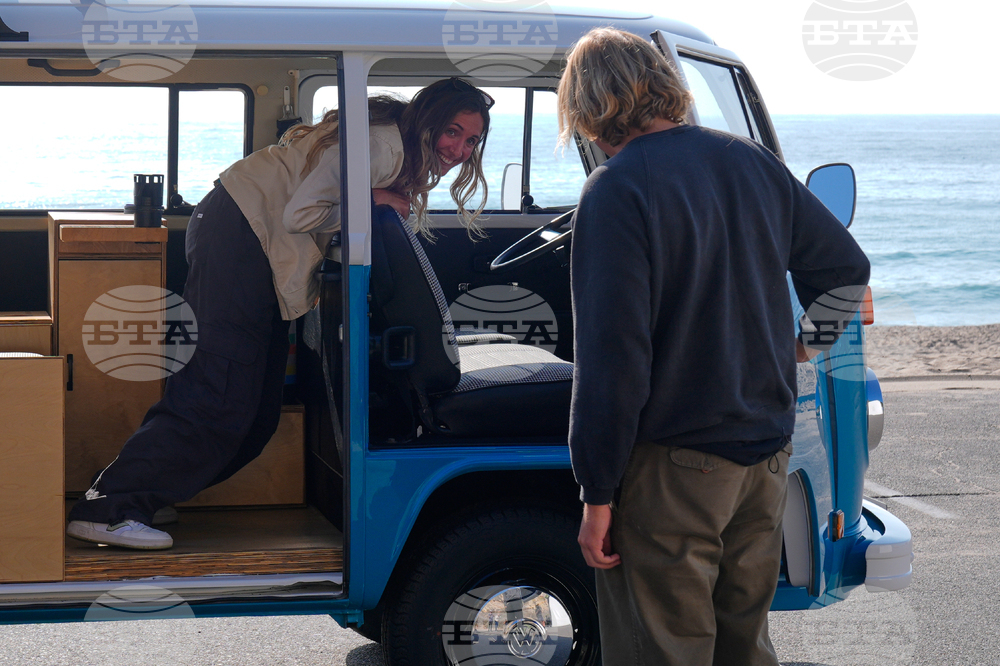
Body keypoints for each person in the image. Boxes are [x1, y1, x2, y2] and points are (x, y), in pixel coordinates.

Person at [66, 77, 494, 550]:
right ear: (428, 120)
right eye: (451, 132)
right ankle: (107, 507)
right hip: (243, 233)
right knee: (221, 385)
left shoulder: (398, 144)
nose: (459, 149)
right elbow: (300, 214)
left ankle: (143, 491)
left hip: (247, 234)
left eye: (471, 139)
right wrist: (369, 202)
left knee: (256, 411)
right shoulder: (384, 146)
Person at [558, 28, 870, 665]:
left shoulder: (616, 190)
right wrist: (797, 349)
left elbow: (613, 362)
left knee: (663, 651)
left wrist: (596, 492)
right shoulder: (749, 160)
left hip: (676, 466)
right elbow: (847, 270)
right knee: (744, 647)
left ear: (590, 107)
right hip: (763, 458)